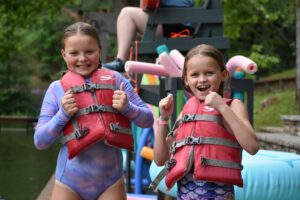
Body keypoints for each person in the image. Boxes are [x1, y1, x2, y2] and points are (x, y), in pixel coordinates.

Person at [34, 22, 154, 200]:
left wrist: (128, 108)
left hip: (110, 182)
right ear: (64, 55)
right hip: (70, 183)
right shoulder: (56, 89)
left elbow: (148, 120)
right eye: (74, 53)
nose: (82, 58)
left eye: (89, 52)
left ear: (99, 51)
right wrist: (62, 115)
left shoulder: (116, 80)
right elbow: (40, 141)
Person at [151, 44, 259, 199]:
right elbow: (160, 159)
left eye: (209, 73)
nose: (202, 79)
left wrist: (221, 106)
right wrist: (164, 118)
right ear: (186, 80)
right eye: (195, 75)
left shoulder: (233, 106)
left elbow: (253, 146)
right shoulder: (188, 110)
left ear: (223, 75)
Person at [103, 0, 195, 72]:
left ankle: (121, 62)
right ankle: (121, 62)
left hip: (179, 24)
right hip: (167, 21)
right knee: (127, 14)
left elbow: (186, 3)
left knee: (126, 14)